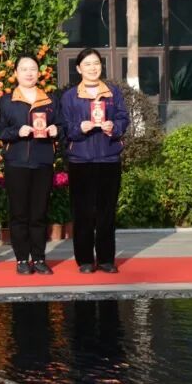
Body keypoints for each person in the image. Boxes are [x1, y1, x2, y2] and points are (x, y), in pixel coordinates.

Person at [59, 48, 129, 274]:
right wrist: (79, 128)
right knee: (83, 212)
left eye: (96, 63)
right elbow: (64, 127)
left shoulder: (112, 93)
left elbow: (123, 118)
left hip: (108, 158)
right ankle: (85, 260)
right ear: (78, 69)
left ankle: (107, 259)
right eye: (87, 64)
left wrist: (114, 127)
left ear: (101, 66)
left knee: (107, 212)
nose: (92, 68)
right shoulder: (70, 96)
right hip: (80, 160)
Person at [0, 55, 60, 275]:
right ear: (15, 73)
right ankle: (22, 258)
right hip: (17, 162)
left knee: (39, 213)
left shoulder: (50, 100)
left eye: (33, 69)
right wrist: (17, 132)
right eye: (24, 69)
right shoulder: (6, 101)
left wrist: (56, 130)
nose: (29, 73)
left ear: (39, 73)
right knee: (19, 213)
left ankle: (39, 258)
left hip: (43, 161)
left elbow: (62, 125)